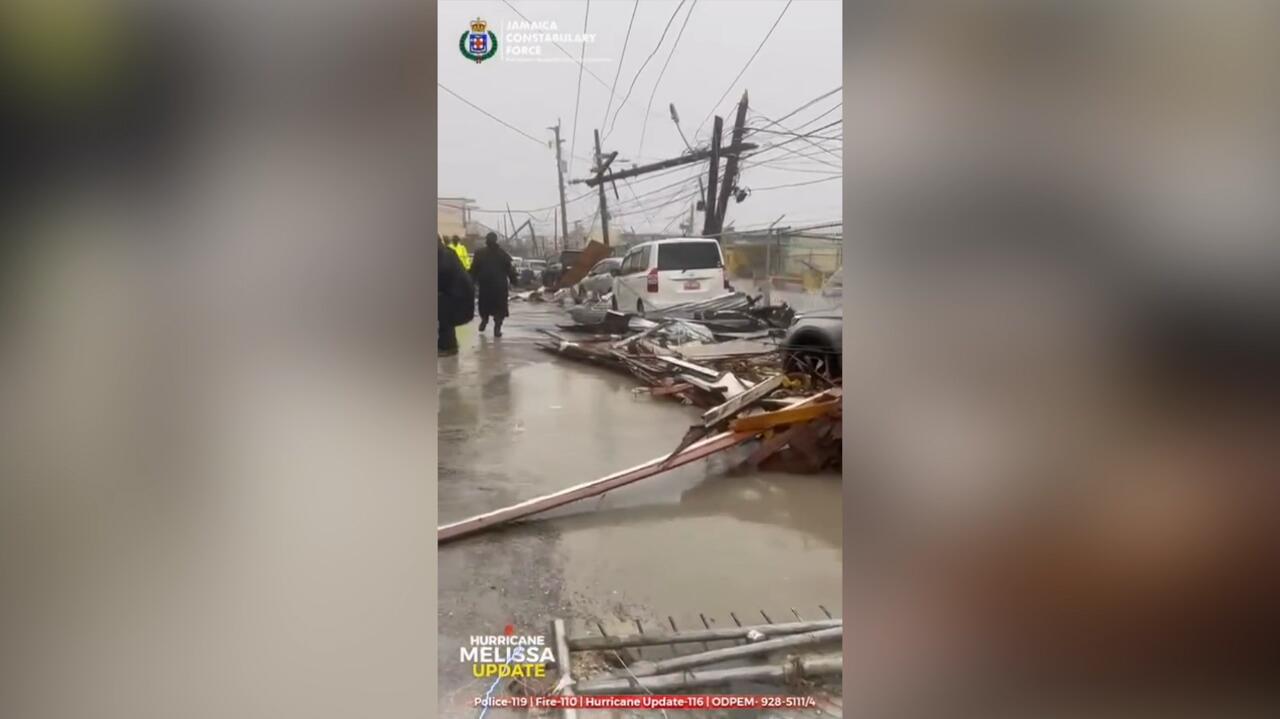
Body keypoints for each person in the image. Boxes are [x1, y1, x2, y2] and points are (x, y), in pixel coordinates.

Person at [469, 232, 518, 336]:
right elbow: (510, 270)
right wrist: (514, 281)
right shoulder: (503, 254)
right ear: (496, 240)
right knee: (500, 308)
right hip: (499, 286)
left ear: (486, 240)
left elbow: (474, 269)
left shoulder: (479, 253)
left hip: (485, 285)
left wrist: (470, 281)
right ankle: (497, 328)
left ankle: (484, 320)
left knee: (484, 305)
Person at [438, 236, 473, 355]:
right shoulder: (446, 252)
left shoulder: (443, 255)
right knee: (444, 316)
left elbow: (442, 274)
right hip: (459, 290)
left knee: (444, 316)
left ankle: (448, 347)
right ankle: (448, 345)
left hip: (456, 293)